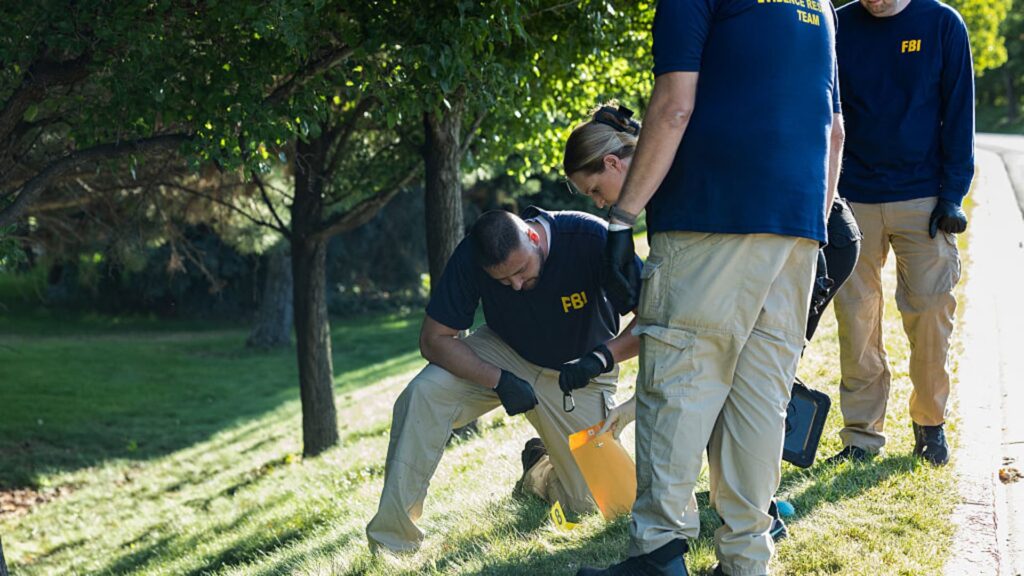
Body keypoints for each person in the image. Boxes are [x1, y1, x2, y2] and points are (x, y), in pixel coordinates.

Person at [574, 0, 845, 571]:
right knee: (759, 402)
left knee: (678, 385)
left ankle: (659, 552)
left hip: (710, 217)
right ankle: (746, 557)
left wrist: (622, 219)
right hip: (797, 229)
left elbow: (673, 108)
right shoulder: (819, 4)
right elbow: (835, 132)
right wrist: (815, 236)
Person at [365, 207, 641, 554]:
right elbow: (433, 339)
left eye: (521, 270)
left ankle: (540, 471)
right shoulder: (471, 254)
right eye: (503, 280)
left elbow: (653, 318)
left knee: (605, 506)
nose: (516, 284)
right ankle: (392, 543)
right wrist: (498, 380)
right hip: (503, 353)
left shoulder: (590, 237)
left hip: (579, 371)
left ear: (534, 237)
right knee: (423, 394)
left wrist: (601, 358)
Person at [828, 0, 974, 467]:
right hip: (853, 197)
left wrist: (952, 195)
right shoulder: (839, 25)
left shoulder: (941, 24)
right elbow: (824, 111)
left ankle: (929, 425)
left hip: (923, 198)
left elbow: (958, 113)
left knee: (931, 312)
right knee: (856, 319)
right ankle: (861, 435)